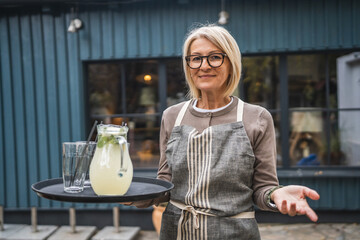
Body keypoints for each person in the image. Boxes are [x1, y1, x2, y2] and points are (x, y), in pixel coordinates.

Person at [126, 24, 320, 239]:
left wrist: (276, 194)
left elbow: (262, 188)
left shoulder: (256, 117)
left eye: (215, 57)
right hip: (177, 231)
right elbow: (166, 183)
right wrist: (130, 193)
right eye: (196, 58)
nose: (204, 66)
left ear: (231, 62)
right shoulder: (172, 116)